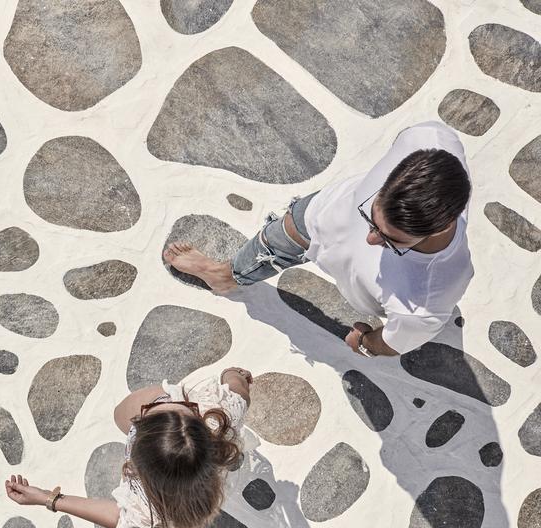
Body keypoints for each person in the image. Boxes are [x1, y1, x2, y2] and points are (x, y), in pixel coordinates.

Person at [163, 121, 473, 358]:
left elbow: (392, 343)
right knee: (273, 240)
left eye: (390, 241)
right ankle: (223, 276)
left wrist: (364, 343)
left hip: (359, 283)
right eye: (369, 217)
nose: (369, 238)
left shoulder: (424, 300)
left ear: (440, 227)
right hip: (317, 216)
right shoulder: (430, 139)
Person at [4, 367, 258, 528]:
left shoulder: (148, 509)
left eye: (148, 414)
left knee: (120, 413)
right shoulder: (221, 414)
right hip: (208, 443)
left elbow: (116, 516)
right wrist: (233, 374)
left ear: (136, 462)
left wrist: (48, 499)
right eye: (181, 406)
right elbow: (240, 392)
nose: (170, 399)